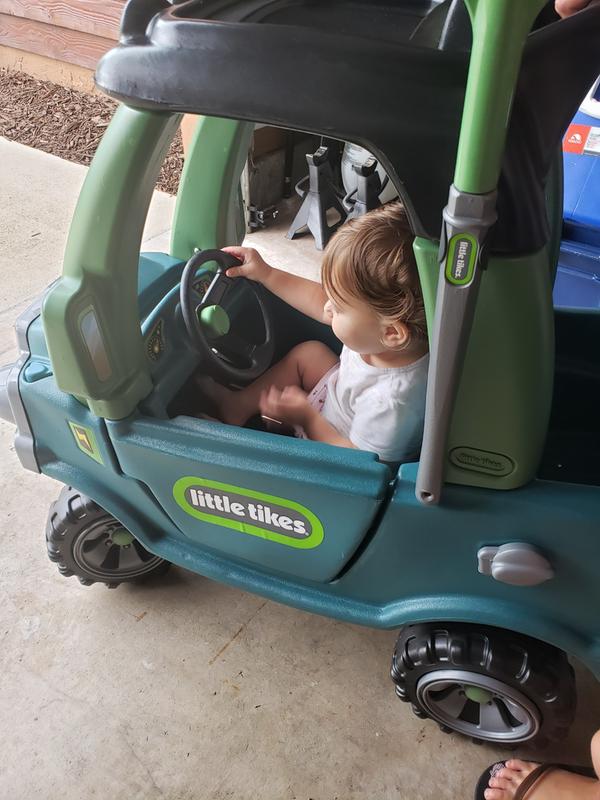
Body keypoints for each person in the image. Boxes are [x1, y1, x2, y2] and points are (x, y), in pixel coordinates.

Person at [200, 201, 429, 466]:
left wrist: (307, 419)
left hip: (336, 449)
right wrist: (266, 273)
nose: (328, 307)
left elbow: (362, 466)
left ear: (392, 332)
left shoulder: (391, 404)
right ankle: (237, 407)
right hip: (337, 402)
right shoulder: (379, 337)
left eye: (340, 307)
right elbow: (319, 300)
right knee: (311, 354)